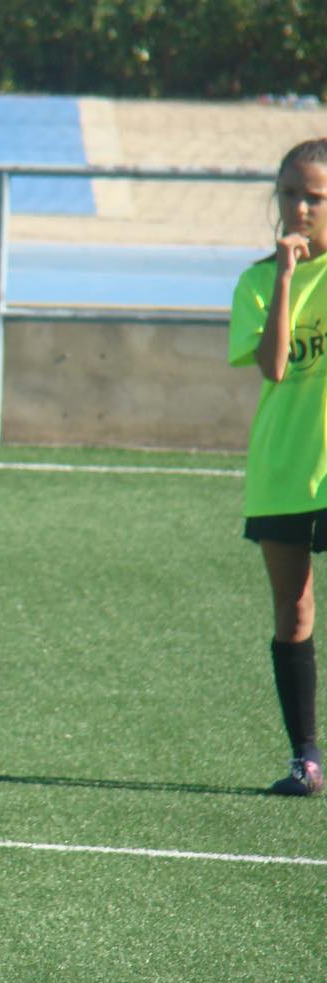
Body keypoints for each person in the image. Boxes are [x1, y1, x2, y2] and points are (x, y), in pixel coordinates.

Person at [228, 137, 327, 796]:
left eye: (314, 197)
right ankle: (307, 759)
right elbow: (272, 365)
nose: (299, 208)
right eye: (290, 195)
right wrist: (288, 274)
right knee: (292, 614)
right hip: (281, 471)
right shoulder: (259, 280)